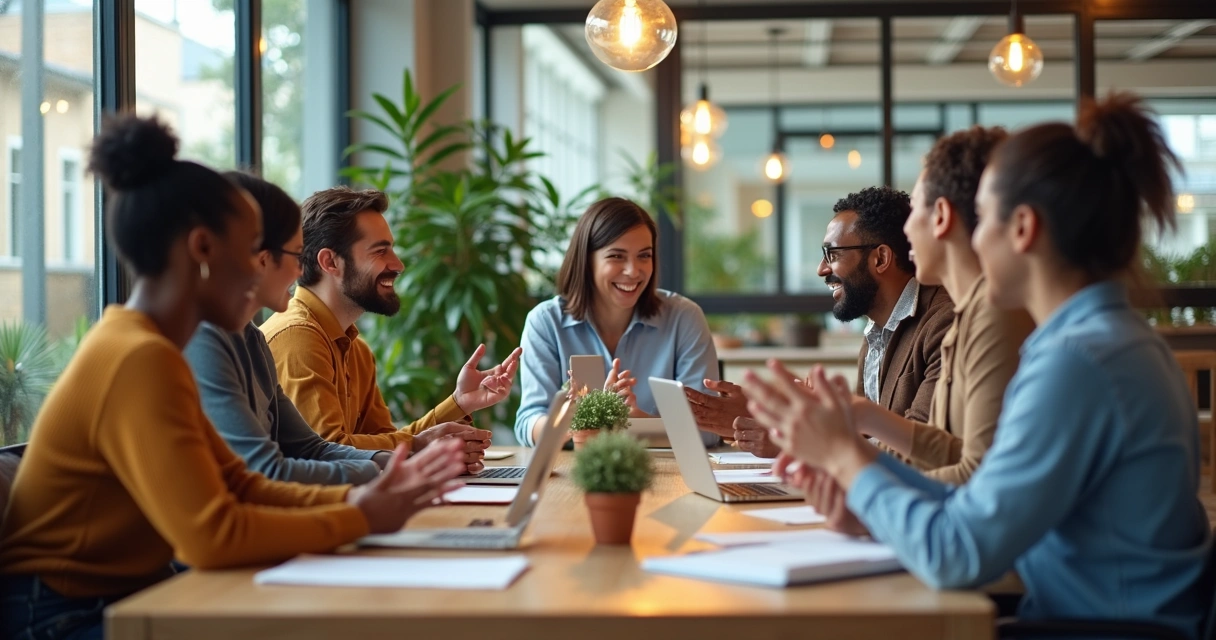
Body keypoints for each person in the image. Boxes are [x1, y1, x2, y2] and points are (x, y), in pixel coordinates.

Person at [745, 94, 1211, 637]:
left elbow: (958, 553)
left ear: (1023, 229)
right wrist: (868, 496)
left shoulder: (1077, 363)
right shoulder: (1093, 342)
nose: (970, 236)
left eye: (983, 217)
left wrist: (850, 462)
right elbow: (981, 496)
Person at [0, 115, 466, 640]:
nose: (265, 268)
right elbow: (212, 536)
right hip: (63, 615)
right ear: (202, 249)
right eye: (254, 251)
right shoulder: (138, 358)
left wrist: (364, 501)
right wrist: (361, 514)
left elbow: (241, 484)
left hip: (117, 597)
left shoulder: (151, 348)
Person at [261, 186, 519, 474]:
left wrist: (459, 403)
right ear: (330, 262)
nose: (398, 264)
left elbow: (384, 442)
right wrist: (420, 446)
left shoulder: (355, 348)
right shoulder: (298, 337)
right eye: (380, 251)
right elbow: (327, 450)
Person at [686, 187, 953, 457]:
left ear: (880, 259)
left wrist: (796, 443)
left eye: (833, 254)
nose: (821, 269)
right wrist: (769, 414)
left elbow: (920, 451)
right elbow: (862, 433)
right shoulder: (877, 331)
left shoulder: (943, 325)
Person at [185, 173, 388, 485]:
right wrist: (385, 471)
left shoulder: (252, 340)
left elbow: (308, 447)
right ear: (260, 257)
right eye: (296, 254)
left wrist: (395, 463)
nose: (300, 270)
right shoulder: (204, 342)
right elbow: (266, 470)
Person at [514, 197, 719, 447]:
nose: (633, 271)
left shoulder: (684, 319)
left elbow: (709, 429)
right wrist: (579, 421)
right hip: (572, 474)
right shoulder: (545, 322)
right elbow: (528, 423)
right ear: (587, 261)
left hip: (666, 474)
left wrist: (637, 421)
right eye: (617, 256)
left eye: (644, 256)